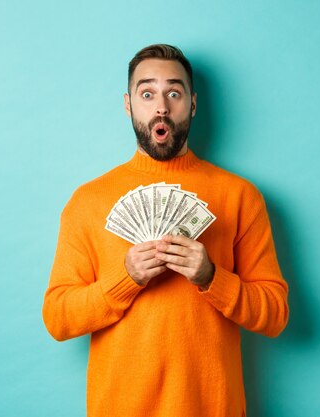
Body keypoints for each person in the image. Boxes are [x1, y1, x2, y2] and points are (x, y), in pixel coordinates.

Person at [42, 44, 289, 417]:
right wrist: (125, 279)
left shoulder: (240, 196)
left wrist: (211, 277)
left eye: (174, 93)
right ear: (128, 105)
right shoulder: (87, 201)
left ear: (192, 103)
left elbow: (274, 315)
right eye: (147, 93)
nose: (161, 106)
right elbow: (58, 318)